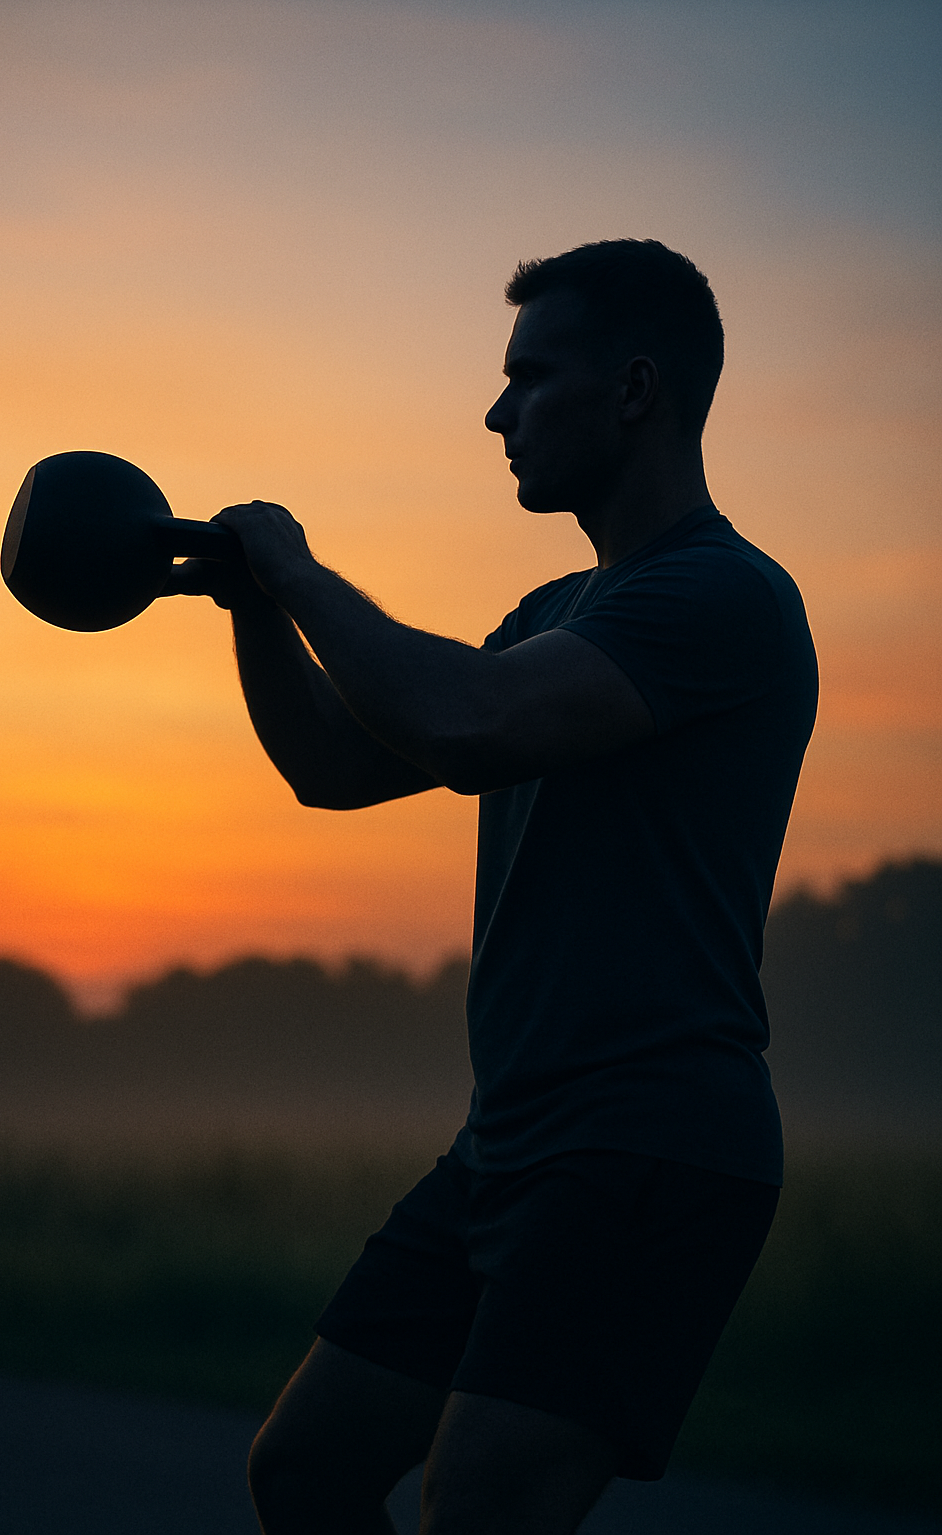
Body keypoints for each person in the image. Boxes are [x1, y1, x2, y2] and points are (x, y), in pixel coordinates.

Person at [167, 238, 818, 1535]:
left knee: (480, 1509)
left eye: (530, 377)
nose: (496, 411)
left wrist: (298, 567)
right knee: (303, 1470)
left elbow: (458, 721)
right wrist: (252, 608)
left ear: (634, 390)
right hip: (512, 1143)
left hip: (648, 1145)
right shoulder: (553, 615)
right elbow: (336, 767)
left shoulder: (725, 598)